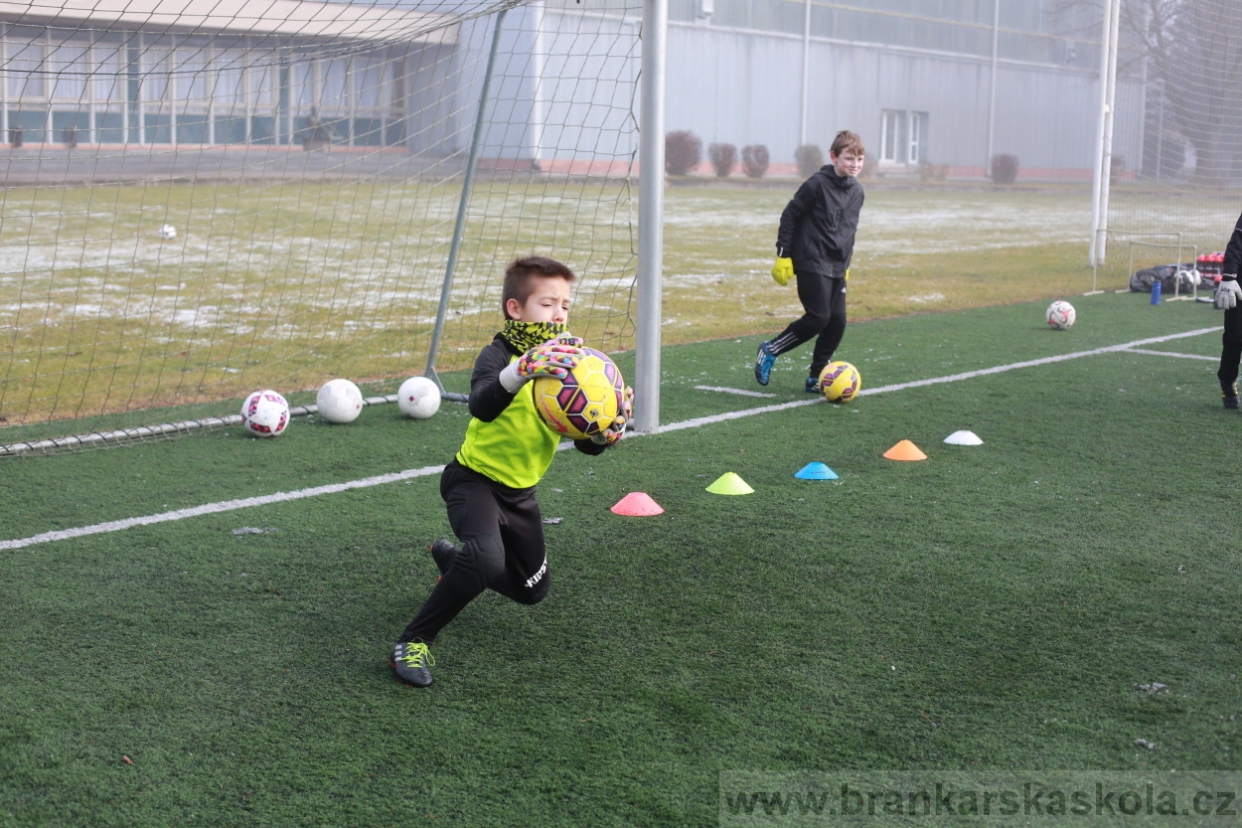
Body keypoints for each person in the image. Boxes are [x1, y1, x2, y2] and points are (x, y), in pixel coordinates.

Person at [391, 256, 632, 688]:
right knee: (486, 559)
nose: (559, 314)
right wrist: (521, 370)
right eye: (547, 303)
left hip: (521, 496)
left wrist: (603, 434)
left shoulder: (574, 362)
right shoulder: (498, 355)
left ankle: (454, 559)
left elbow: (582, 442)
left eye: (565, 305)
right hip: (473, 480)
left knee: (531, 590)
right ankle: (413, 641)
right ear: (515, 308)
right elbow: (482, 405)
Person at [755, 130, 866, 391]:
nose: (855, 165)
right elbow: (790, 216)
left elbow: (849, 230)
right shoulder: (816, 184)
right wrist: (783, 255)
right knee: (818, 317)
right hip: (810, 259)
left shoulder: (857, 191)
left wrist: (846, 266)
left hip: (837, 265)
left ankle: (817, 377)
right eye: (849, 158)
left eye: (859, 160)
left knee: (837, 321)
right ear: (834, 157)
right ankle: (770, 349)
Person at [1213, 210, 1242, 408]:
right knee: (1234, 339)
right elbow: (1236, 244)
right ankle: (1227, 381)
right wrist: (1229, 277)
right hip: (1240, 288)